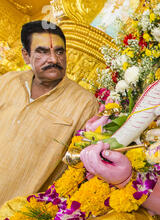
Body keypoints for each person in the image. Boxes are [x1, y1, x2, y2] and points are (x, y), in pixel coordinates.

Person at [0, 21, 98, 207]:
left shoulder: (84, 104)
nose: (53, 59)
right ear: (26, 56)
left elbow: (77, 172)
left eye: (59, 52)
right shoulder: (7, 82)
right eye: (43, 52)